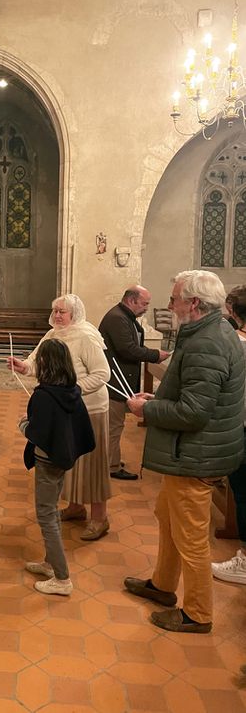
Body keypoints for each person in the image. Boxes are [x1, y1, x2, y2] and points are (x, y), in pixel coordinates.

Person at [124, 270, 245, 633]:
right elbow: (191, 395)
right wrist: (157, 399)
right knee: (168, 518)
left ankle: (197, 614)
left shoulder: (207, 342)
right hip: (190, 454)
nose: (170, 303)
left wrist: (147, 409)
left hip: (195, 456)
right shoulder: (208, 332)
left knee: (192, 539)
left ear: (193, 303)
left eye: (175, 297)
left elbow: (194, 412)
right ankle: (162, 585)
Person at [9, 294, 112, 541]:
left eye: (62, 312)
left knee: (92, 464)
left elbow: (102, 373)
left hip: (90, 408)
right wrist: (24, 367)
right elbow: (38, 362)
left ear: (74, 314)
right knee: (69, 459)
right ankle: (76, 507)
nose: (56, 316)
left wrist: (73, 390)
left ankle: (100, 519)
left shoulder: (86, 336)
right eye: (54, 310)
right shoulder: (53, 334)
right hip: (63, 407)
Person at [19, 339, 95, 595]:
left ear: (44, 363)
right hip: (61, 459)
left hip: (48, 460)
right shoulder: (70, 389)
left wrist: (24, 425)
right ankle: (50, 564)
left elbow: (37, 432)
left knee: (46, 514)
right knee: (51, 511)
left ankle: (62, 579)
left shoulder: (44, 395)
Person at [99, 285, 170, 480]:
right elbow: (128, 349)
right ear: (131, 300)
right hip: (114, 380)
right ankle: (110, 466)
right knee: (113, 426)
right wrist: (155, 355)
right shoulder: (117, 318)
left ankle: (111, 459)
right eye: (144, 303)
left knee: (115, 425)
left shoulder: (124, 317)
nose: (147, 307)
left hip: (120, 378)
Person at [211, 285, 246, 585]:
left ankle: (245, 562)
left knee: (243, 490)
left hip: (241, 424)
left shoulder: (236, 343)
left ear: (233, 312)